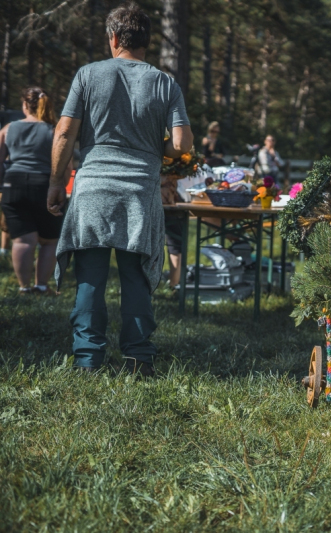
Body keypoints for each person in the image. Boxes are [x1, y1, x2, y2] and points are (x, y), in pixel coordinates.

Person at [47, 2, 193, 375]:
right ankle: (139, 358)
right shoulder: (164, 82)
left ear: (113, 38)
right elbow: (182, 144)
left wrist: (55, 182)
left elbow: (64, 132)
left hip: (93, 185)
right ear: (147, 41)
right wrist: (152, 149)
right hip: (139, 192)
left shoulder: (88, 74)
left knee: (91, 276)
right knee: (136, 275)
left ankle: (87, 360)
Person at [0, 87, 69, 294]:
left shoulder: (8, 128)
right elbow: (65, 165)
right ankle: (41, 286)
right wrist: (61, 189)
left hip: (14, 185)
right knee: (49, 241)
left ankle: (24, 287)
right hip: (44, 185)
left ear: (24, 106)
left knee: (22, 240)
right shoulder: (54, 129)